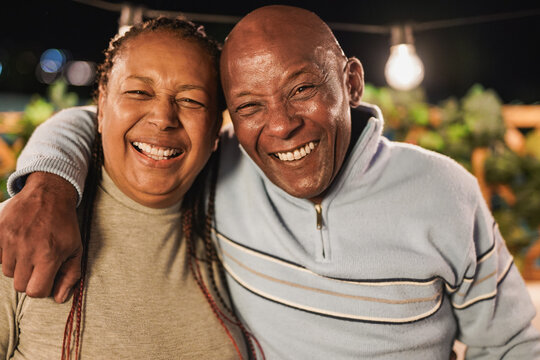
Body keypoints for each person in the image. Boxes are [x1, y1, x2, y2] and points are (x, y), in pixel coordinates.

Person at [1, 5, 539, 359]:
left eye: (302, 89)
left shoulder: (443, 191)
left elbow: (515, 343)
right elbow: (101, 123)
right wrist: (48, 183)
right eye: (251, 106)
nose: (281, 126)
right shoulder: (221, 174)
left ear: (350, 81)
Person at [0, 17, 253, 359]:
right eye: (139, 92)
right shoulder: (24, 228)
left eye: (191, 100)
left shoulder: (242, 237)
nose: (163, 117)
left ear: (214, 131)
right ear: (102, 106)